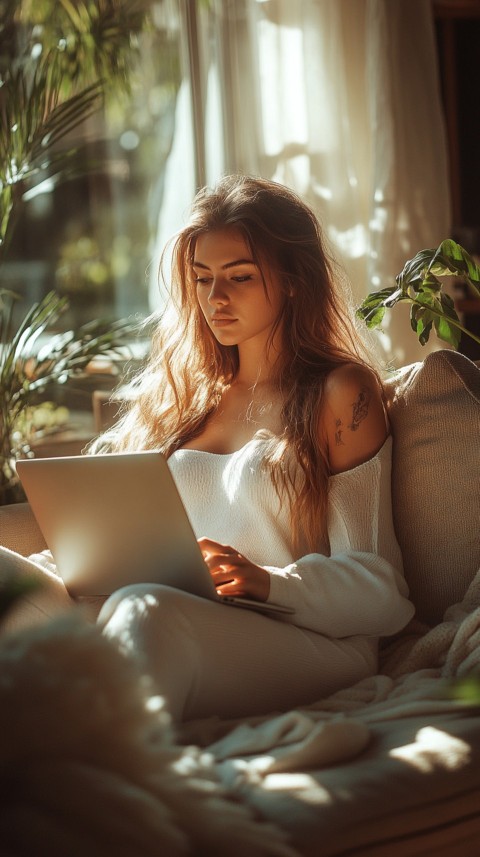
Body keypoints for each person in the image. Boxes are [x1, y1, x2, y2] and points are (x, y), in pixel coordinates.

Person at [93, 174, 414, 723]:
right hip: (191, 617)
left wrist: (268, 582)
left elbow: (383, 589)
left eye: (239, 277)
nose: (215, 298)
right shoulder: (184, 398)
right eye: (202, 278)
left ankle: (113, 792)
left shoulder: (339, 392)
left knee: (142, 612)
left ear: (292, 280)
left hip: (308, 638)